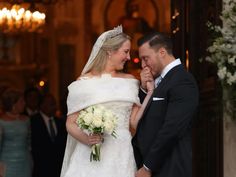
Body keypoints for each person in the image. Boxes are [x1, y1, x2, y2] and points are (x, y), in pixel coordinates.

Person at [60, 25, 154, 177]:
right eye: (126, 51)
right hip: (88, 156)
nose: (129, 57)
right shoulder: (84, 82)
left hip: (121, 155)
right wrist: (88, 139)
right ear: (110, 51)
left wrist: (149, 93)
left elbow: (134, 123)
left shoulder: (130, 81)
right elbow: (70, 123)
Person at [132, 32, 199, 177]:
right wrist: (144, 89)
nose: (143, 65)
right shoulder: (159, 80)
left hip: (170, 168)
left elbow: (172, 129)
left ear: (162, 52)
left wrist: (148, 167)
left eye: (146, 58)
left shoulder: (182, 80)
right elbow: (145, 119)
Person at [30, 93, 67, 177]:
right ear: (42, 105)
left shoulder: (60, 122)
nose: (55, 107)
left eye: (54, 104)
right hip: (40, 168)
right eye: (51, 104)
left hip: (58, 168)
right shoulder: (33, 121)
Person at [0, 88, 32, 177]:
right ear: (13, 103)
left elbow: (29, 144)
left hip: (25, 164)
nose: (25, 103)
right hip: (7, 166)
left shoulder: (26, 120)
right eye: (21, 101)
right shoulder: (1, 121)